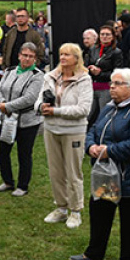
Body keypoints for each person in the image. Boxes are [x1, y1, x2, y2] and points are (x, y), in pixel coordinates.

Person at [69, 68, 130, 260]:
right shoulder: (109, 108)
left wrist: (109, 151)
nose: (112, 87)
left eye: (118, 84)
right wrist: (91, 146)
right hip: (105, 174)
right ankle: (94, 253)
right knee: (100, 213)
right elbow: (93, 129)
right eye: (111, 83)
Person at [41, 43, 94, 229]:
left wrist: (56, 111)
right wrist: (41, 107)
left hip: (73, 131)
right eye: (61, 54)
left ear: (76, 58)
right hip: (51, 129)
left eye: (67, 55)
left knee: (73, 172)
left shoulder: (84, 80)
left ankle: (75, 210)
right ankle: (61, 207)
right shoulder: (50, 76)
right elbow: (39, 100)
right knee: (55, 171)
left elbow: (83, 109)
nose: (63, 57)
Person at [0, 42, 44, 197]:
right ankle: (7, 181)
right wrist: (2, 104)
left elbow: (29, 98)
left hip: (27, 121)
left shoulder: (37, 75)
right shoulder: (10, 71)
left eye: (31, 56)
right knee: (1, 150)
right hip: (8, 119)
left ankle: (23, 185)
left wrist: (8, 106)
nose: (27, 59)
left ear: (35, 59)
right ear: (19, 55)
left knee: (24, 153)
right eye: (25, 55)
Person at [87, 23, 124, 126]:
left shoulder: (116, 52)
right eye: (102, 34)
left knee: (105, 115)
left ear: (113, 36)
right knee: (89, 115)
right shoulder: (93, 49)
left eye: (107, 34)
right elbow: (86, 65)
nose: (104, 37)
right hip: (92, 87)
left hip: (106, 88)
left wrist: (100, 73)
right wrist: (90, 69)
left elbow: (117, 73)